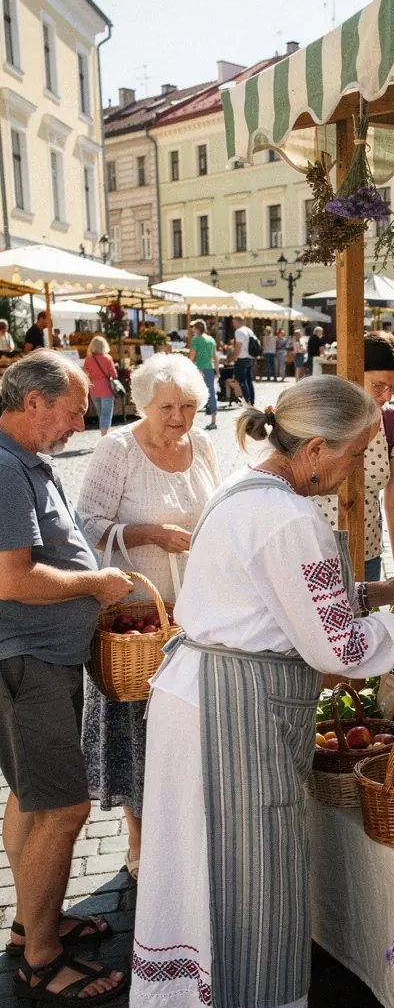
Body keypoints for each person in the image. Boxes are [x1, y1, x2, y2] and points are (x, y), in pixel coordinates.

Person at [127, 377, 394, 1008]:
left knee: (212, 877)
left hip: (203, 699)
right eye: (353, 458)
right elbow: (340, 650)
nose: (355, 475)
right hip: (235, 716)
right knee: (246, 885)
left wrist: (381, 588)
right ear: (316, 449)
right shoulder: (291, 518)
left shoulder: (244, 488)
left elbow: (280, 598)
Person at [0, 351, 133, 1002]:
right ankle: (42, 958)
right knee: (63, 808)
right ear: (34, 403)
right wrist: (96, 583)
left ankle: (35, 922)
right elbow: (12, 578)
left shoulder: (27, 460)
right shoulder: (6, 469)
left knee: (32, 798)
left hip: (40, 658)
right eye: (74, 410)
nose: (81, 422)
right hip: (28, 660)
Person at [78, 353, 220, 880]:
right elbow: (86, 523)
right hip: (135, 619)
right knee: (136, 732)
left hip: (192, 614)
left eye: (188, 406)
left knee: (185, 730)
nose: (179, 418)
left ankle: (184, 832)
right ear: (144, 404)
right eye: (167, 408)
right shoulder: (118, 448)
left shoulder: (203, 444)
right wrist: (149, 535)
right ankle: (139, 840)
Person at [316, 332, 394, 580]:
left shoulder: (393, 421)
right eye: (378, 386)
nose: (387, 396)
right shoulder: (319, 415)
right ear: (354, 375)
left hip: (367, 554)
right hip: (313, 554)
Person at [83, 336, 118, 437]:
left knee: (100, 413)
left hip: (94, 389)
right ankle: (104, 435)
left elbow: (85, 373)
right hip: (106, 389)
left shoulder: (88, 359)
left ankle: (103, 433)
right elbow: (114, 374)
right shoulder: (107, 358)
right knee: (106, 413)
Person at [188, 320, 218, 430]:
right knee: (211, 393)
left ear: (196, 329)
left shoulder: (196, 339)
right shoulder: (211, 340)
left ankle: (191, 421)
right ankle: (213, 421)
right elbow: (215, 357)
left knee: (194, 394)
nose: (192, 330)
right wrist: (217, 371)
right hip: (210, 369)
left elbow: (192, 357)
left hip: (199, 370)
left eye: (193, 328)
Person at [229, 316, 256, 406]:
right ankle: (252, 401)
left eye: (233, 322)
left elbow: (238, 346)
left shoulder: (239, 331)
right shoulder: (248, 330)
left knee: (242, 381)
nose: (232, 324)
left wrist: (234, 357)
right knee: (249, 381)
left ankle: (247, 402)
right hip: (249, 358)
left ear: (237, 322)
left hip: (242, 359)